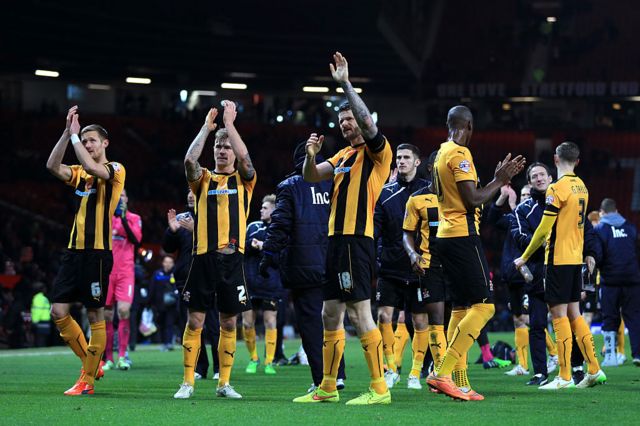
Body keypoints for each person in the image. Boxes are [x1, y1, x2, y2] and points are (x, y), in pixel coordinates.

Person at [293, 52, 393, 405]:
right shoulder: (341, 157)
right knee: (329, 313)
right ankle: (328, 387)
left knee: (358, 312)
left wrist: (346, 84)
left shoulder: (378, 152)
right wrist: (309, 154)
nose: (346, 125)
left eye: (350, 119)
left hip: (355, 239)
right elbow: (310, 177)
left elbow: (369, 124)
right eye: (342, 121)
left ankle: (380, 388)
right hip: (336, 243)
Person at [426, 105, 525, 401]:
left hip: (445, 235)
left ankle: (461, 382)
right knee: (485, 307)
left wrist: (492, 181)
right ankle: (442, 372)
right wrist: (500, 181)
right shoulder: (460, 153)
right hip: (461, 237)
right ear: (468, 125)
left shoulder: (441, 153)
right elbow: (472, 199)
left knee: (460, 308)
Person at [173, 100, 256, 400]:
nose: (222, 150)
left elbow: (247, 160)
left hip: (233, 261)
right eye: (218, 146)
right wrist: (207, 130)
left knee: (229, 321)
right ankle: (187, 382)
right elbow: (188, 162)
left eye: (226, 146)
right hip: (203, 259)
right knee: (195, 320)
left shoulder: (244, 180)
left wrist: (230, 125)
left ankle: (224, 383)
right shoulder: (203, 180)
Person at [46, 105, 125, 395]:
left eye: (93, 140)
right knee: (58, 311)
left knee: (95, 316)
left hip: (97, 253)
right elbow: (53, 167)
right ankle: (90, 363)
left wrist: (77, 138)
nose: (88, 143)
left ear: (105, 143)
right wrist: (68, 134)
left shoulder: (115, 169)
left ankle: (87, 380)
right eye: (86, 139)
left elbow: (95, 168)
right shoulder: (80, 174)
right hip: (73, 251)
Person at [515, 141, 606, 389]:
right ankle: (595, 369)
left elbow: (545, 228)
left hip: (557, 259)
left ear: (555, 159)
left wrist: (524, 256)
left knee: (558, 316)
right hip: (575, 259)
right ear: (577, 161)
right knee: (575, 314)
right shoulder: (582, 186)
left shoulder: (557, 188)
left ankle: (564, 376)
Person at [260, 141, 347, 393]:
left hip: (302, 266)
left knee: (311, 324)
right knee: (333, 322)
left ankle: (322, 380)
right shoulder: (333, 183)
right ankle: (338, 374)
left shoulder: (290, 187)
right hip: (334, 261)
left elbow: (280, 225)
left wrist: (268, 253)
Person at [373, 143, 428, 389]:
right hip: (391, 266)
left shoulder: (428, 190)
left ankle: (415, 373)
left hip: (420, 268)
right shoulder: (385, 192)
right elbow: (376, 229)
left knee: (419, 321)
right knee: (384, 315)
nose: (401, 161)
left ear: (417, 161)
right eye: (399, 157)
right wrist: (376, 256)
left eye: (407, 157)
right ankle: (391, 369)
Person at [401, 156, 449, 391]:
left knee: (458, 321)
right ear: (431, 168)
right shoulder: (417, 198)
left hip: (458, 267)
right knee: (436, 321)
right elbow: (407, 233)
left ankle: (454, 372)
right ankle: (440, 375)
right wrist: (412, 254)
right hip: (430, 266)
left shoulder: (459, 195)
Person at [511, 162, 560, 385]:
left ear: (550, 177)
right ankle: (540, 372)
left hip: (563, 268)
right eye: (534, 176)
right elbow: (519, 236)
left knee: (567, 320)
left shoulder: (564, 201)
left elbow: (581, 229)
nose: (539, 179)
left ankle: (576, 368)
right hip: (538, 271)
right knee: (537, 324)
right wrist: (546, 243)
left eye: (542, 174)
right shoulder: (523, 209)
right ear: (530, 182)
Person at [487, 184, 531, 377]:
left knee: (531, 319)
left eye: (528, 194)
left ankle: (554, 354)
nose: (524, 197)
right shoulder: (515, 217)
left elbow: (525, 233)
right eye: (522, 194)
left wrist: (513, 206)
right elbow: (493, 219)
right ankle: (522, 365)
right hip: (513, 275)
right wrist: (502, 198)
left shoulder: (537, 217)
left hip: (530, 276)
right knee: (518, 319)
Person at [592, 198, 640, 366]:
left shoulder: (600, 229)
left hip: (610, 281)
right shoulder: (631, 227)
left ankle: (611, 357)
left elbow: (598, 255)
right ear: (616, 210)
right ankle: (638, 354)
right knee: (634, 317)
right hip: (632, 280)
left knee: (610, 318)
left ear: (602, 212)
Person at [242, 194, 284, 375]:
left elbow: (281, 255)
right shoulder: (252, 227)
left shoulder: (279, 229)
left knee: (270, 322)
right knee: (247, 323)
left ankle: (269, 362)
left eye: (265, 208)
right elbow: (240, 249)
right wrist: (251, 246)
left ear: (274, 211)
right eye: (261, 207)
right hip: (250, 283)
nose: (261, 210)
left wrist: (264, 246)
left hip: (270, 284)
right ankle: (253, 358)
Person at [103, 188, 142, 371]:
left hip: (125, 272)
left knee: (124, 311)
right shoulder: (105, 218)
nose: (120, 198)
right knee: (107, 315)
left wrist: (123, 217)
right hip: (107, 272)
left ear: (127, 199)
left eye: (123, 195)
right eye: (117, 195)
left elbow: (136, 239)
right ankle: (109, 358)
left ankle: (122, 356)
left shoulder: (134, 218)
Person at [150, 255, 178, 351]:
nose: (168, 264)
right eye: (166, 262)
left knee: (169, 323)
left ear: (173, 264)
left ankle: (169, 343)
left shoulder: (175, 274)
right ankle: (164, 342)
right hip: (159, 305)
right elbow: (152, 288)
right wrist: (150, 302)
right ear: (163, 263)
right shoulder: (157, 273)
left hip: (172, 304)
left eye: (170, 262)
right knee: (161, 323)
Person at [31, 281, 51, 347]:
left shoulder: (37, 298)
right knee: (43, 341)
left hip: (39, 322)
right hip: (46, 322)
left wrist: (35, 321)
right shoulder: (44, 298)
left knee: (39, 341)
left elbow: (37, 311)